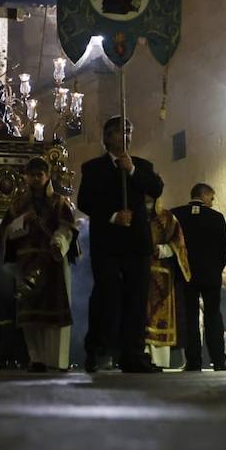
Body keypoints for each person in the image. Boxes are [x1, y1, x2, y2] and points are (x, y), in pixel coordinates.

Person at [78, 116, 166, 373]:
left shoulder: (141, 165)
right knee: (106, 296)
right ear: (107, 138)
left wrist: (132, 171)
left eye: (128, 131)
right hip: (107, 242)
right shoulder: (92, 167)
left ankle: (133, 354)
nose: (125, 136)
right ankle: (96, 350)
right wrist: (113, 215)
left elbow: (156, 189)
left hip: (136, 243)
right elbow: (85, 201)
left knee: (136, 299)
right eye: (119, 131)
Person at [2, 158, 79, 372]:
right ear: (26, 176)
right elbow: (6, 231)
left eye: (40, 174)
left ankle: (56, 360)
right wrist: (23, 222)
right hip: (26, 263)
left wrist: (58, 242)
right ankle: (36, 359)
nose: (36, 179)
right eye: (32, 174)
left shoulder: (59, 202)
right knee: (29, 316)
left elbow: (68, 228)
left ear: (47, 176)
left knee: (54, 314)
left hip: (52, 261)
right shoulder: (17, 205)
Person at [174, 183, 226, 371]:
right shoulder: (216, 217)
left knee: (190, 317)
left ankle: (193, 361)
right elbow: (224, 247)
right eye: (211, 198)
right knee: (213, 316)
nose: (212, 202)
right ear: (203, 194)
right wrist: (217, 269)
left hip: (186, 274)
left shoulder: (177, 215)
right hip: (211, 275)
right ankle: (219, 360)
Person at [144, 199, 188, 365]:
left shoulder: (168, 218)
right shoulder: (134, 214)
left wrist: (162, 250)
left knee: (157, 318)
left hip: (161, 277)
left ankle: (159, 360)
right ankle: (142, 355)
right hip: (138, 274)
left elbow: (178, 244)